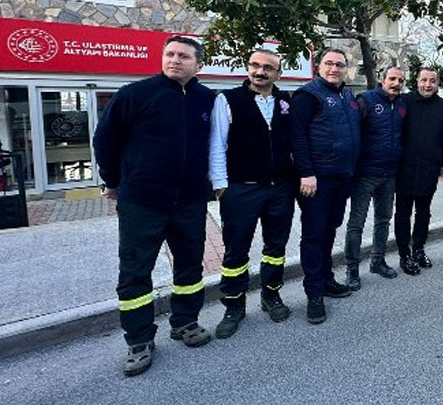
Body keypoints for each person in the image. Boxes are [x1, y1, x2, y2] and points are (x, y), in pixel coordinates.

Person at [94, 36, 217, 377]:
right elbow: (105, 140)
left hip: (190, 201)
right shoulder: (135, 94)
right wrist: (112, 180)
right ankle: (139, 340)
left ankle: (186, 323)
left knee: (190, 267)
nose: (175, 60)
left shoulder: (207, 99)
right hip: (142, 202)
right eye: (170, 54)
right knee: (135, 272)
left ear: (198, 65)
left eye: (183, 56)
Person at [208, 49, 296, 339]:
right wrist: (221, 187)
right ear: (248, 68)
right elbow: (217, 145)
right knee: (236, 252)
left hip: (280, 190)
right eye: (255, 66)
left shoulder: (287, 101)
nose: (260, 72)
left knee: (276, 248)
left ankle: (271, 295)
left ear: (278, 74)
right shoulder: (228, 99)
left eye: (268, 68)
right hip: (241, 190)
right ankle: (234, 305)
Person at [290, 49, 360, 324]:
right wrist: (306, 173)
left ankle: (327, 280)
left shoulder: (346, 94)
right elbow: (297, 137)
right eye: (329, 63)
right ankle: (314, 294)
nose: (334, 68)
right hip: (317, 180)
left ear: (346, 69)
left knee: (330, 229)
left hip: (342, 176)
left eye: (340, 64)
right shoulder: (307, 95)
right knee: (315, 235)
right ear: (318, 66)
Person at [344, 66, 407, 288]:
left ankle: (377, 261)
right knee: (356, 224)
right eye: (392, 78)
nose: (396, 83)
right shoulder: (366, 100)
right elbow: (352, 132)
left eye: (400, 80)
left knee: (383, 220)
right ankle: (352, 270)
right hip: (365, 174)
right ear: (382, 79)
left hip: (389, 175)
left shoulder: (402, 104)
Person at [394, 67, 443, 275]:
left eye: (432, 81)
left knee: (424, 213)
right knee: (402, 214)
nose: (428, 85)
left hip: (429, 169)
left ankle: (418, 249)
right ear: (416, 81)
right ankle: (404, 255)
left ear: (438, 83)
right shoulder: (404, 102)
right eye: (424, 80)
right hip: (404, 168)